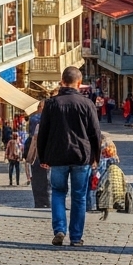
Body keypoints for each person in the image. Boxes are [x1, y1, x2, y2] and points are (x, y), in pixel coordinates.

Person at [37, 65, 102, 247]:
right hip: (81, 156)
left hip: (57, 156)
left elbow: (43, 133)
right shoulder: (87, 104)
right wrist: (96, 156)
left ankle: (59, 229)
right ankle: (75, 237)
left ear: (62, 81)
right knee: (79, 196)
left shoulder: (51, 104)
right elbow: (95, 133)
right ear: (79, 83)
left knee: (58, 193)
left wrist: (43, 157)